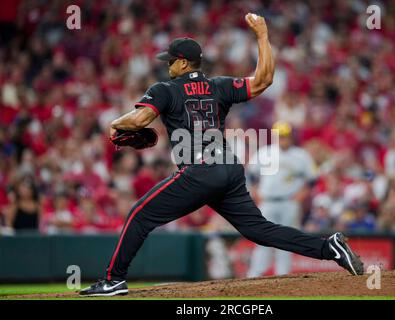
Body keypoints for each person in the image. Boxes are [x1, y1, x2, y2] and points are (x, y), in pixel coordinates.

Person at [80, 13, 364, 297]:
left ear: (182, 62)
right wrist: (262, 35)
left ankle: (113, 279)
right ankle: (330, 248)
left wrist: (116, 123)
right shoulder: (219, 86)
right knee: (259, 230)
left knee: (140, 214)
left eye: (170, 60)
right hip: (228, 167)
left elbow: (140, 120)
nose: (167, 65)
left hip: (201, 170)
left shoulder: (164, 90)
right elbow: (264, 80)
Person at [247, 121, 316, 277]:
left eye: (285, 136)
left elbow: (312, 180)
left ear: (291, 137)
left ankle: (283, 276)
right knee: (262, 239)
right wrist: (256, 192)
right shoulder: (264, 152)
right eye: (280, 136)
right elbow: (251, 175)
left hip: (289, 202)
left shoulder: (301, 155)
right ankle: (254, 275)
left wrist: (301, 195)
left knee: (287, 240)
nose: (283, 139)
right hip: (268, 202)